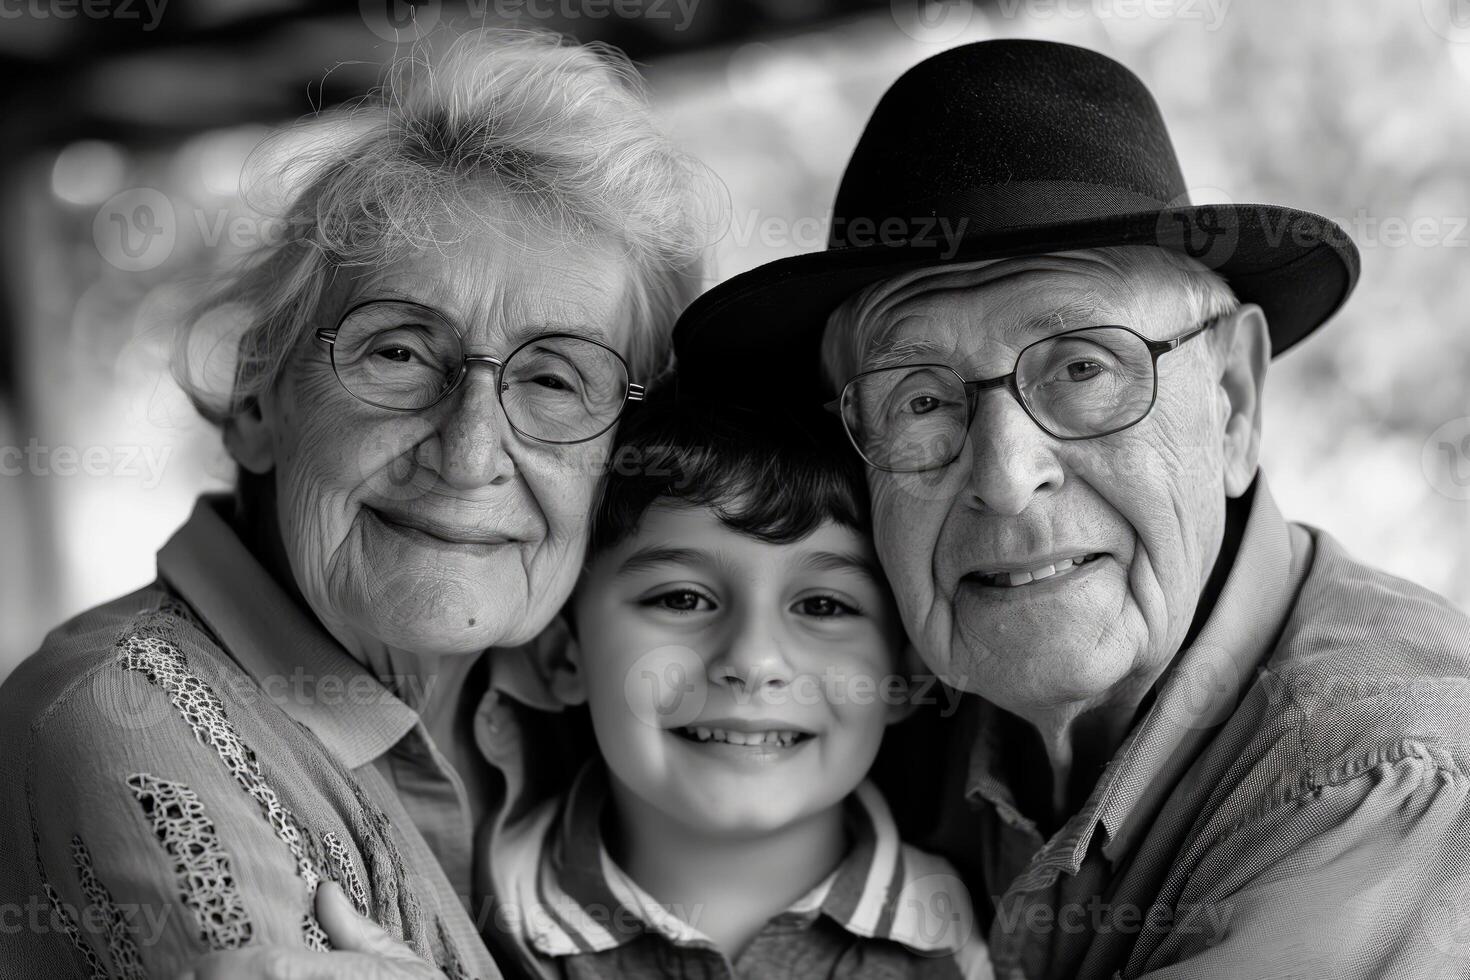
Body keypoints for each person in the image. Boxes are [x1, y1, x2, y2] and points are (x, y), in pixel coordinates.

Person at [672, 39, 1470, 980]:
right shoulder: (858, 675)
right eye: (920, 400)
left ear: (1235, 401)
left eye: (1084, 369)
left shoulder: (1385, 779)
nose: (1006, 477)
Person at [0, 28, 715, 980]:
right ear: (259, 400)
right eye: (399, 352)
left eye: (555, 380)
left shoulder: (597, 694)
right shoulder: (121, 711)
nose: (468, 454)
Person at [491, 392, 993, 979]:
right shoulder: (469, 912)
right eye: (681, 599)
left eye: (824, 605)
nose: (754, 661)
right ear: (561, 657)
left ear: (907, 676)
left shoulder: (964, 934)